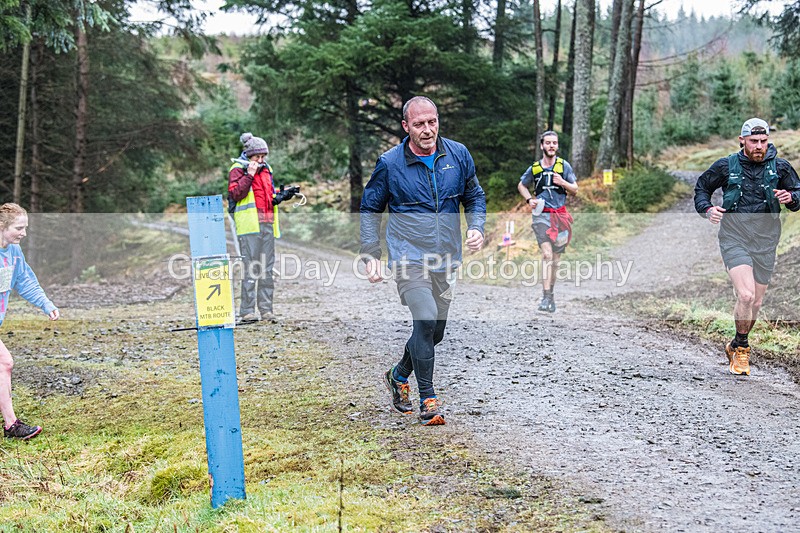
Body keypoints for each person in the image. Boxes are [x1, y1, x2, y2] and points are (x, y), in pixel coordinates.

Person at [360, 96, 486, 426]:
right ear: (406, 127)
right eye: (419, 124)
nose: (427, 130)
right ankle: (427, 398)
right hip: (408, 255)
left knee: (435, 332)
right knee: (425, 318)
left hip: (447, 257)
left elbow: (474, 195)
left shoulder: (458, 154)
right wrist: (371, 254)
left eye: (432, 122)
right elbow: (370, 209)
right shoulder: (389, 163)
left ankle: (398, 374)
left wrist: (476, 226)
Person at [694, 118, 800, 375]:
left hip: (766, 240)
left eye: (763, 141)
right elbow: (701, 189)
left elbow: (798, 193)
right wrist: (708, 209)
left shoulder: (781, 168)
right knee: (746, 295)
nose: (759, 146)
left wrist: (791, 198)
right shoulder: (726, 165)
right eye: (754, 141)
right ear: (742, 140)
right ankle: (742, 349)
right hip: (734, 236)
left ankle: (733, 343)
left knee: (756, 303)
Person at [0, 203, 59, 440]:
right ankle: (11, 424)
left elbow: (25, 281)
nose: (24, 233)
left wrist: (47, 304)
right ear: (2, 226)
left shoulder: (13, 252)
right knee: (4, 363)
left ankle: (11, 425)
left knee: (3, 365)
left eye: (25, 227)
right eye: (19, 228)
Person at [228, 133, 297, 322]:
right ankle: (247, 312)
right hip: (249, 227)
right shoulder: (237, 169)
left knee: (267, 269)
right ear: (249, 155)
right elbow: (235, 193)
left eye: (263, 156)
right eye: (257, 157)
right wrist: (249, 175)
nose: (261, 160)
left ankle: (267, 311)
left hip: (267, 224)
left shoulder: (267, 169)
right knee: (251, 268)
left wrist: (281, 196)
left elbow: (267, 196)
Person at [517, 130, 578, 313]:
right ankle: (544, 297)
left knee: (556, 260)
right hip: (541, 216)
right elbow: (521, 185)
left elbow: (575, 189)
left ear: (557, 146)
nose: (552, 146)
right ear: (542, 145)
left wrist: (563, 183)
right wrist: (529, 199)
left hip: (560, 217)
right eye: (548, 143)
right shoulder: (535, 168)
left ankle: (550, 295)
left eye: (555, 143)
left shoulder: (563, 166)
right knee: (547, 255)